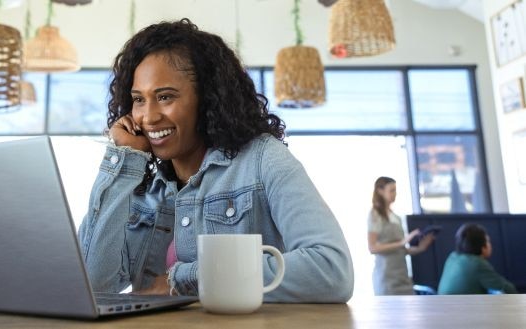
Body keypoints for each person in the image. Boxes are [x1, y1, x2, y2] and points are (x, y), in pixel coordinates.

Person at [77, 18, 354, 302]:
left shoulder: (263, 159)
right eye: (139, 100)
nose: (148, 116)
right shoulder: (140, 183)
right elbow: (91, 286)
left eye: (165, 97)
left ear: (207, 99)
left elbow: (331, 270)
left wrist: (185, 280)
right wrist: (124, 161)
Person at [368, 176, 435, 295]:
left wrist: (421, 247)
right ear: (380, 191)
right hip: (386, 276)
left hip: (402, 275)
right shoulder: (375, 215)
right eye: (392, 190)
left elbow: (401, 250)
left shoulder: (395, 216)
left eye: (395, 190)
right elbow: (372, 248)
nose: (395, 194)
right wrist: (402, 242)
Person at [438, 223, 517, 294]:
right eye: (488, 241)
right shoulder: (477, 264)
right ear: (482, 247)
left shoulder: (452, 257)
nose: (490, 245)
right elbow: (507, 289)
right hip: (462, 308)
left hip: (443, 306)